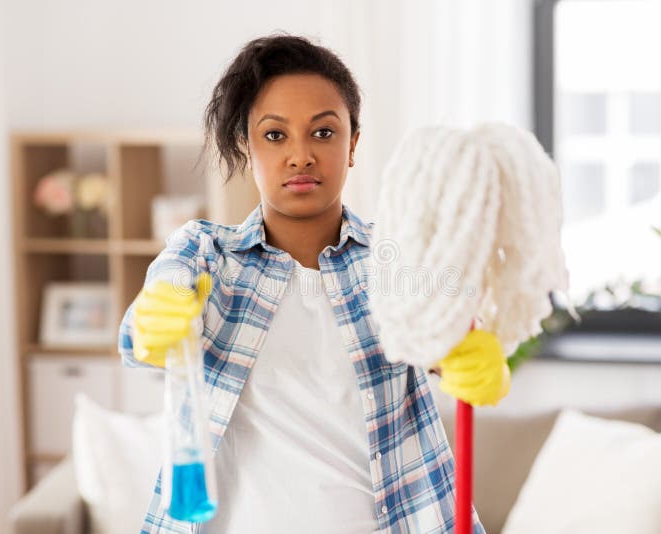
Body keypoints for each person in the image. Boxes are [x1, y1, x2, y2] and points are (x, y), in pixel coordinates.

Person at [118, 33, 487, 534]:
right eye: (275, 135)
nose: (300, 156)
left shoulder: (397, 258)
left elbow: (452, 333)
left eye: (323, 133)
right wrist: (153, 318)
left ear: (353, 143)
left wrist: (467, 347)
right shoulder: (205, 252)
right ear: (246, 147)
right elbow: (145, 326)